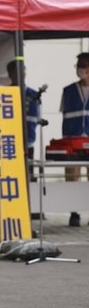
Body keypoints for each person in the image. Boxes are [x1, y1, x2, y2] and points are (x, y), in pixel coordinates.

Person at [60, 52, 89, 227]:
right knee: (72, 178)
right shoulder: (68, 91)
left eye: (84, 65)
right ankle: (74, 213)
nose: (80, 70)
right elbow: (65, 117)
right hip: (73, 142)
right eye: (78, 66)